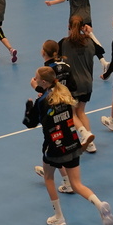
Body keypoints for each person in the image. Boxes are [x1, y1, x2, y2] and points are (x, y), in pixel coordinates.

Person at [23, 66, 113, 225]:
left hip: (54, 147)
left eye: (36, 78)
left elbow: (30, 123)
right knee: (77, 184)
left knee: (48, 178)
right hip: (72, 143)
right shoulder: (64, 93)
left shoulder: (41, 102)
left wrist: (29, 107)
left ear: (43, 82)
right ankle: (100, 205)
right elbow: (51, 96)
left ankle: (59, 217)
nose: (34, 79)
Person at [34, 41, 75, 190]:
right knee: (58, 147)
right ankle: (63, 179)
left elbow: (31, 120)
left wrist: (37, 89)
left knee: (55, 147)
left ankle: (66, 181)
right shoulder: (64, 68)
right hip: (63, 115)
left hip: (54, 121)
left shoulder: (49, 72)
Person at [57, 16, 101, 146]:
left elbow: (55, 60)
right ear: (83, 27)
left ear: (69, 26)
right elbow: (100, 50)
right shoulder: (89, 42)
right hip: (87, 83)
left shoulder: (63, 43)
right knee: (81, 111)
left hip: (72, 85)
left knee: (71, 113)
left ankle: (84, 134)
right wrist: (90, 34)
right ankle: (90, 143)